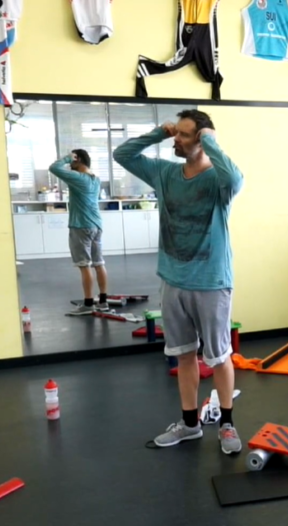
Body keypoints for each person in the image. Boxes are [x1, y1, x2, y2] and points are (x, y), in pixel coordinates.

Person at [112, 109, 244, 454]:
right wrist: (160, 132)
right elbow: (121, 154)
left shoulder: (218, 180)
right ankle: (189, 424)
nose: (177, 140)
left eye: (185, 135)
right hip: (173, 280)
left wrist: (210, 142)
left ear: (202, 139)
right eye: (177, 133)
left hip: (211, 282)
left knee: (218, 357)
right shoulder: (165, 172)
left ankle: (227, 425)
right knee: (184, 355)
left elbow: (235, 178)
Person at [48, 149, 109, 315]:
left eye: (73, 159)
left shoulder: (78, 177)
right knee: (99, 263)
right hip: (96, 225)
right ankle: (103, 301)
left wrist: (67, 158)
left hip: (81, 225)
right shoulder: (95, 179)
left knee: (84, 265)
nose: (70, 163)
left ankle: (88, 304)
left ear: (78, 159)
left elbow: (54, 168)